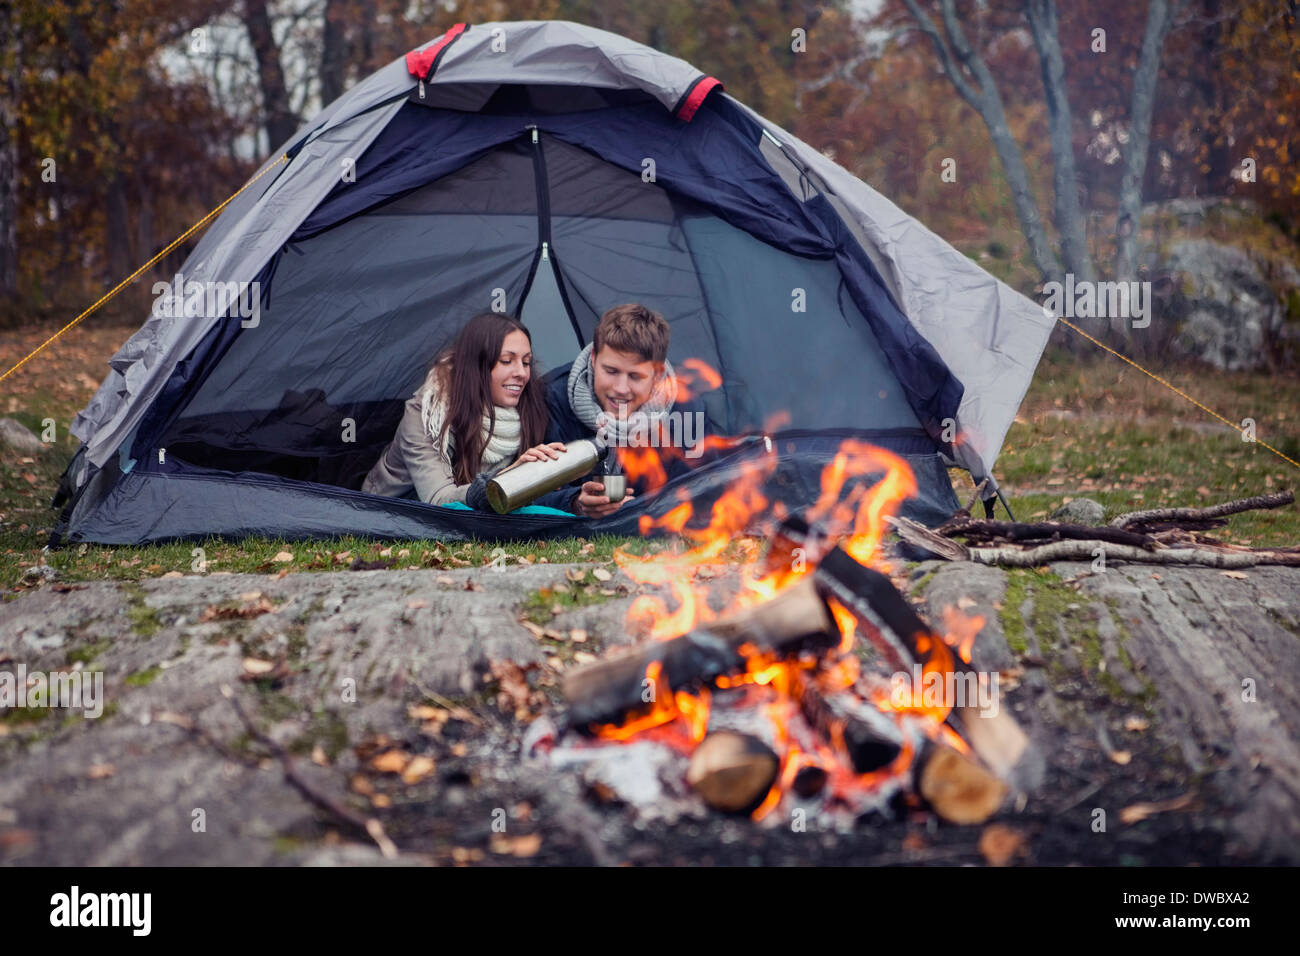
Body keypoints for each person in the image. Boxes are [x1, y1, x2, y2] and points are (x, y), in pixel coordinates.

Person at [362, 312, 566, 508]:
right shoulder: (427, 413)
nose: (521, 373)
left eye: (526, 362)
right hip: (394, 509)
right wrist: (511, 478)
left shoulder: (530, 405)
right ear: (477, 365)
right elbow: (439, 499)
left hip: (473, 514)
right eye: (506, 361)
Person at [545, 303, 704, 518]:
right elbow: (531, 490)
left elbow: (702, 489)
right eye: (611, 371)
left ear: (657, 375)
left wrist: (643, 509)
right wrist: (574, 502)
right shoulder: (553, 397)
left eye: (635, 376)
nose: (620, 389)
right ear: (593, 358)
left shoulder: (685, 408)